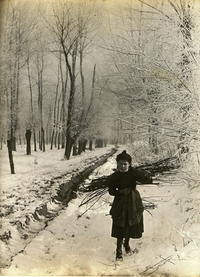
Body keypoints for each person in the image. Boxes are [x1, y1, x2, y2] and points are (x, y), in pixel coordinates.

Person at [106, 150, 153, 261]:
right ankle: (118, 251)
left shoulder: (133, 173)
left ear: (129, 164)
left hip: (133, 202)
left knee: (130, 223)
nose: (122, 166)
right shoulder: (115, 177)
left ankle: (126, 244)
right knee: (120, 224)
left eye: (125, 164)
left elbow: (147, 179)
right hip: (120, 203)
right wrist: (120, 192)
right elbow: (111, 191)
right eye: (120, 164)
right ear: (117, 164)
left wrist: (145, 175)